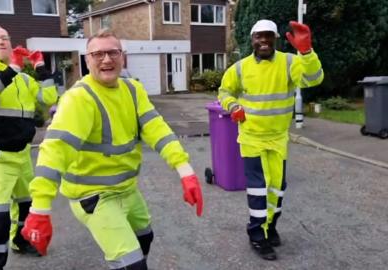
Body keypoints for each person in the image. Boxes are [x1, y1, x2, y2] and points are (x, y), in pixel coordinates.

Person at [20, 29, 204, 270]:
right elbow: (55, 149)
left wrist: (185, 171)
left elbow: (157, 129)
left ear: (123, 57)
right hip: (93, 196)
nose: (106, 59)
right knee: (132, 265)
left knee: (145, 237)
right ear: (87, 60)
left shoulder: (133, 90)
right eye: (97, 54)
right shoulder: (79, 98)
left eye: (113, 52)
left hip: (127, 190)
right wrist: (39, 209)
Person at [218, 19, 323, 260]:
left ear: (275, 39)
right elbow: (224, 91)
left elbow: (314, 78)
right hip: (251, 139)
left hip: (277, 139)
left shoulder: (289, 62)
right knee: (258, 189)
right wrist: (232, 105)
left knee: (277, 189)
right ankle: (257, 235)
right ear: (252, 39)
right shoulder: (240, 68)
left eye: (268, 36)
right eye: (259, 36)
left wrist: (306, 52)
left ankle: (270, 227)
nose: (263, 40)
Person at [0, 24, 58, 269]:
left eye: (5, 38)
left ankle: (20, 240)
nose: (1, 42)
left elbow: (49, 98)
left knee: (27, 203)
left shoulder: (24, 78)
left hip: (22, 153)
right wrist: (14, 68)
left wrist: (40, 67)